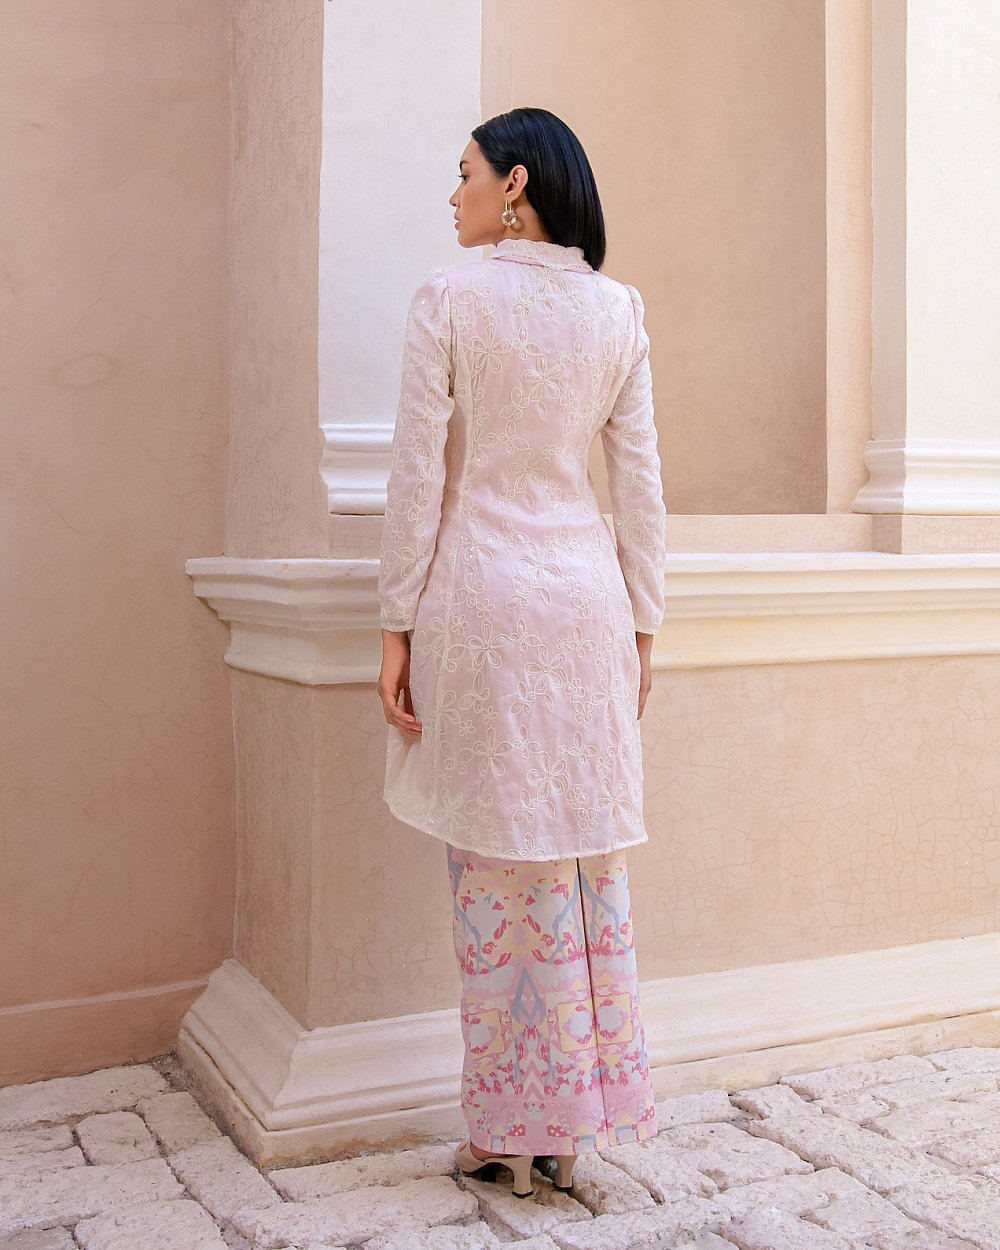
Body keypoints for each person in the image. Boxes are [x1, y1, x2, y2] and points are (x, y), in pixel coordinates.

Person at [376, 107, 667, 1200]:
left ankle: (505, 1128)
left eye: (463, 173)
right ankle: (566, 1129)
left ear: (514, 183)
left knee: (496, 870)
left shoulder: (449, 298)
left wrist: (394, 622)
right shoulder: (617, 309)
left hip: (486, 602)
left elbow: (417, 476)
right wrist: (643, 626)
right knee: (583, 862)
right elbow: (639, 485)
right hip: (587, 606)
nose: (450, 193)